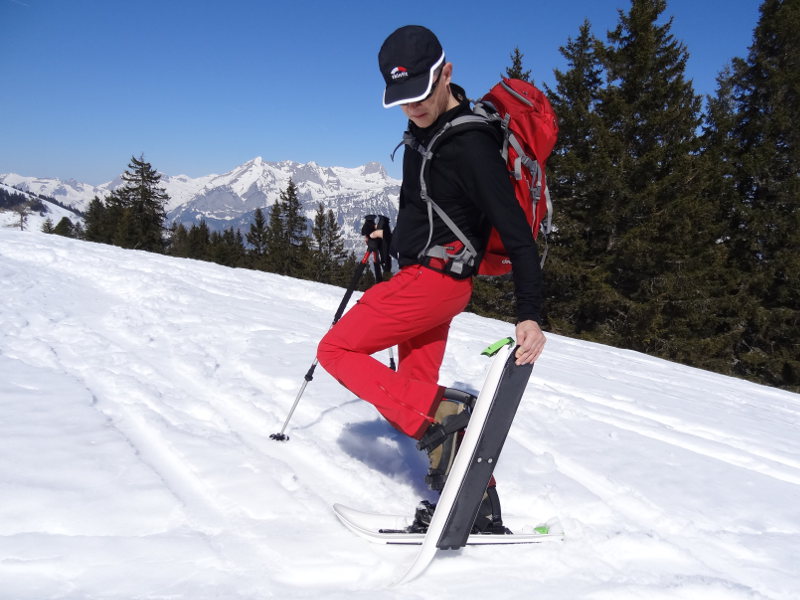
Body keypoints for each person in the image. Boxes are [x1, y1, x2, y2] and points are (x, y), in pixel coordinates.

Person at [317, 25, 545, 533]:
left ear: (447, 72)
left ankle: (450, 417)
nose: (413, 106)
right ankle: (472, 500)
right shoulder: (425, 133)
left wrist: (529, 312)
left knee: (335, 350)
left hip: (435, 283)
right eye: (402, 98)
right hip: (428, 276)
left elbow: (515, 232)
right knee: (414, 390)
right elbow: (437, 213)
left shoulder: (469, 144)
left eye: (421, 93)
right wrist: (387, 235)